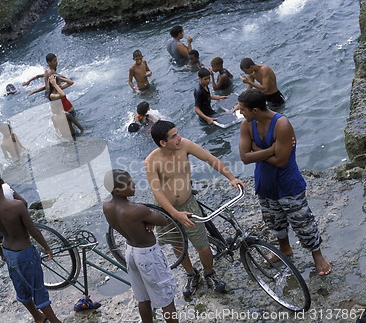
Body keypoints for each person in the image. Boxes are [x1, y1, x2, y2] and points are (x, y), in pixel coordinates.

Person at [145, 120, 245, 298]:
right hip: (166, 211)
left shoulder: (184, 146)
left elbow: (210, 159)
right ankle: (191, 274)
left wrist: (231, 178)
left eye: (178, 133)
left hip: (189, 204)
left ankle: (209, 273)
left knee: (203, 246)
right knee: (178, 246)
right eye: (174, 136)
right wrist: (175, 213)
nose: (179, 138)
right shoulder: (151, 161)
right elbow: (157, 192)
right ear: (163, 142)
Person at [237, 88, 331, 276]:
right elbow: (245, 157)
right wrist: (270, 149)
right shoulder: (247, 125)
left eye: (243, 109)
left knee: (302, 221)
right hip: (265, 184)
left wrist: (257, 150)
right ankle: (285, 249)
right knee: (274, 221)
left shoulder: (282, 124)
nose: (240, 113)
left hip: (288, 184)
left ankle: (317, 255)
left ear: (255, 110)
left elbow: (281, 161)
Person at [0, 170, 61, 323]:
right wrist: (46, 247)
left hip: (9, 252)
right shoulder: (17, 206)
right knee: (38, 289)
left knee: (21, 289)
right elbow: (33, 230)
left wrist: (1, 254)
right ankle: (55, 321)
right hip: (25, 252)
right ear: (2, 183)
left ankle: (38, 317)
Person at [102, 169, 178, 323]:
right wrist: (149, 219)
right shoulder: (136, 210)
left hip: (130, 252)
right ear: (117, 190)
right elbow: (164, 220)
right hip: (148, 255)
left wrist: (146, 219)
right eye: (128, 183)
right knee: (166, 299)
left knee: (143, 298)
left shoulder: (107, 206)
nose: (134, 184)